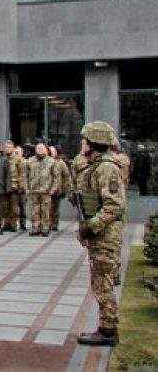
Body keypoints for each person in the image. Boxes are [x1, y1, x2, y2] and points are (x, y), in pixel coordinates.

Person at [76, 121, 125, 347]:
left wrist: (90, 226)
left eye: (85, 140)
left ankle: (108, 329)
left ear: (94, 142)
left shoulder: (107, 168)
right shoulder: (94, 166)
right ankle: (106, 326)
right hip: (99, 235)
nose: (83, 143)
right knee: (100, 280)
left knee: (103, 282)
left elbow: (113, 206)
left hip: (105, 236)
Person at [5, 140, 27, 231]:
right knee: (5, 207)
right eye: (6, 147)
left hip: (15, 186)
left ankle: (14, 225)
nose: (7, 149)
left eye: (9, 147)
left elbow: (22, 174)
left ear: (13, 148)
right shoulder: (3, 158)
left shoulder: (18, 159)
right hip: (5, 186)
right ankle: (7, 224)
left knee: (15, 207)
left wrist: (21, 186)